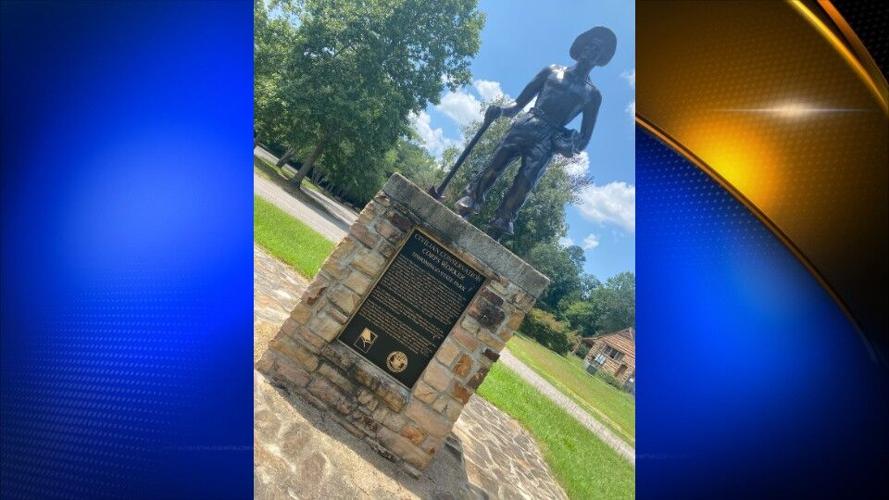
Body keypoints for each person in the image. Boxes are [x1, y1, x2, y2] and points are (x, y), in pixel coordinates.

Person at [455, 26, 617, 237]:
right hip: (527, 123)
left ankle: (501, 223)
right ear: (581, 46)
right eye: (590, 45)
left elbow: (585, 138)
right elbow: (516, 106)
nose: (592, 51)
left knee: (524, 184)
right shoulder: (550, 71)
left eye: (598, 50)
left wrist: (569, 145)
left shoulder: (593, 95)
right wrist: (500, 111)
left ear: (601, 58)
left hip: (548, 140)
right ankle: (469, 203)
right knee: (493, 167)